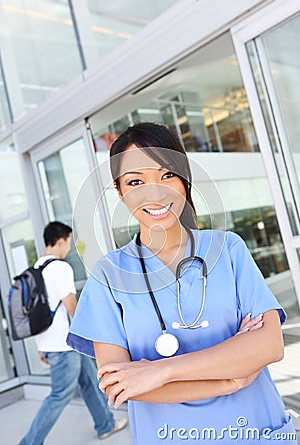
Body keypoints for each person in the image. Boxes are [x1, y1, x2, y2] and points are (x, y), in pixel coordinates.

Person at [67, 123, 297, 444]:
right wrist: (229, 379)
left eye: (167, 175)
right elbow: (119, 385)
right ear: (120, 192)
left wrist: (159, 372)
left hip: (257, 430)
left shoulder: (228, 249)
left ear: (185, 179)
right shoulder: (109, 275)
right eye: (136, 182)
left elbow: (268, 345)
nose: (155, 193)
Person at [19, 221, 128, 444]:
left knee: (89, 382)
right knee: (59, 395)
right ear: (60, 241)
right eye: (68, 242)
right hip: (64, 345)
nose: (68, 248)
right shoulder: (60, 268)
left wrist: (42, 347)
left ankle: (105, 424)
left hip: (53, 344)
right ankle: (29, 442)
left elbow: (39, 312)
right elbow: (71, 308)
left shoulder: (34, 270)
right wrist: (92, 337)